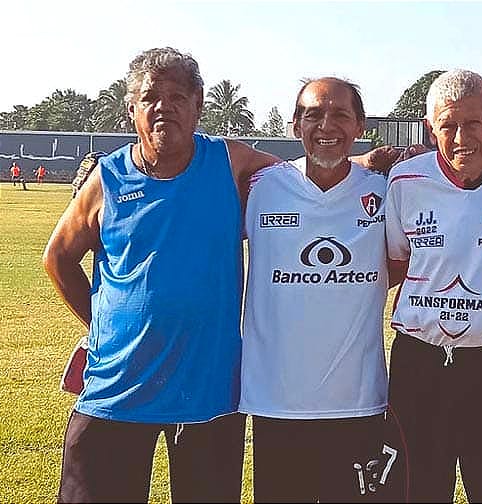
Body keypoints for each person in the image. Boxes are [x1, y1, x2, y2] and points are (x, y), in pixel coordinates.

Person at [43, 46, 283, 503]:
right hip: (118, 387)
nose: (163, 107)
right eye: (151, 96)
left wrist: (366, 166)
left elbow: (305, 182)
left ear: (198, 105)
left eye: (177, 96)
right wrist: (99, 324)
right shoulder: (107, 179)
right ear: (131, 107)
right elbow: (58, 257)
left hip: (207, 390)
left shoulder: (230, 163)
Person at [381, 69, 482, 502]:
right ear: (430, 125)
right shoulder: (405, 180)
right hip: (419, 363)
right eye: (448, 125)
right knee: (417, 490)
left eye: (473, 123)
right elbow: (397, 262)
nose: (460, 138)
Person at [240, 77, 394, 502]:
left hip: (359, 402)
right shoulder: (260, 187)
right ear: (295, 125)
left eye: (341, 115)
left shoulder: (384, 192)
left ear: (360, 125)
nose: (327, 125)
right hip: (277, 402)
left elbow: (399, 266)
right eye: (313, 115)